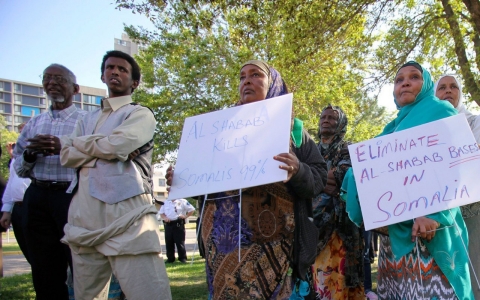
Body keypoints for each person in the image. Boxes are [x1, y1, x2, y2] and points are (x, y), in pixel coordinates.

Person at [166, 60, 327, 299]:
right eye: (242, 77)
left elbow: (319, 178)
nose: (247, 80)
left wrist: (298, 170)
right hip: (222, 246)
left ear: (273, 84)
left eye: (256, 75)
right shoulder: (216, 130)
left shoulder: (293, 130)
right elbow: (208, 183)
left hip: (274, 246)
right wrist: (182, 179)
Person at [341, 61, 473, 299]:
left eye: (414, 77)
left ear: (426, 85)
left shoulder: (441, 111)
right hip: (395, 243)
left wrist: (435, 214)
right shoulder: (393, 128)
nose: (405, 83)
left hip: (433, 234)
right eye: (399, 80)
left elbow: (458, 166)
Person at [60, 50, 171, 300]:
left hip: (127, 214)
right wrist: (106, 147)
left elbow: (117, 146)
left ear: (134, 82)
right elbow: (66, 156)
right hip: (83, 217)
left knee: (148, 292)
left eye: (122, 69)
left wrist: (88, 146)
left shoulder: (140, 114)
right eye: (110, 68)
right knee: (86, 295)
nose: (115, 72)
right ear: (102, 75)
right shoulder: (86, 119)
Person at [13, 64, 87, 299]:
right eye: (47, 78)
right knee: (44, 267)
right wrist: (30, 155)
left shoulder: (86, 121)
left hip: (70, 196)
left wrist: (62, 147)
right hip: (36, 196)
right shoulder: (34, 124)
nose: (52, 83)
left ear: (74, 88)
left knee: (80, 261)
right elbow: (19, 167)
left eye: (59, 79)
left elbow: (95, 158)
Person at [310, 105, 364, 299]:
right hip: (313, 227)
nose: (326, 120)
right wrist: (318, 179)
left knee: (340, 278)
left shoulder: (349, 149)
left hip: (341, 226)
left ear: (341, 123)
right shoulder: (309, 150)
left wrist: (311, 178)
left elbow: (344, 176)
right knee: (318, 279)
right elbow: (299, 179)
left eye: (332, 118)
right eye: (323, 117)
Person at [435, 74, 480, 298]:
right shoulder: (424, 131)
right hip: (439, 216)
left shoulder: (474, 122)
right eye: (442, 87)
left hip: (472, 211)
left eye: (453, 87)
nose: (448, 91)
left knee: (474, 269)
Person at [0, 122, 32, 263]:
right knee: (28, 252)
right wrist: (7, 209)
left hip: (32, 206)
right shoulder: (16, 159)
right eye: (20, 132)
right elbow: (12, 183)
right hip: (17, 209)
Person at [159, 198, 195, 263]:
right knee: (169, 242)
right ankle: (170, 258)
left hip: (178, 224)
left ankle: (182, 258)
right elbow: (161, 213)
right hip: (168, 224)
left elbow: (192, 209)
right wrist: (165, 218)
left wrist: (186, 216)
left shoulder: (182, 201)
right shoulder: (166, 202)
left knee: (180, 242)